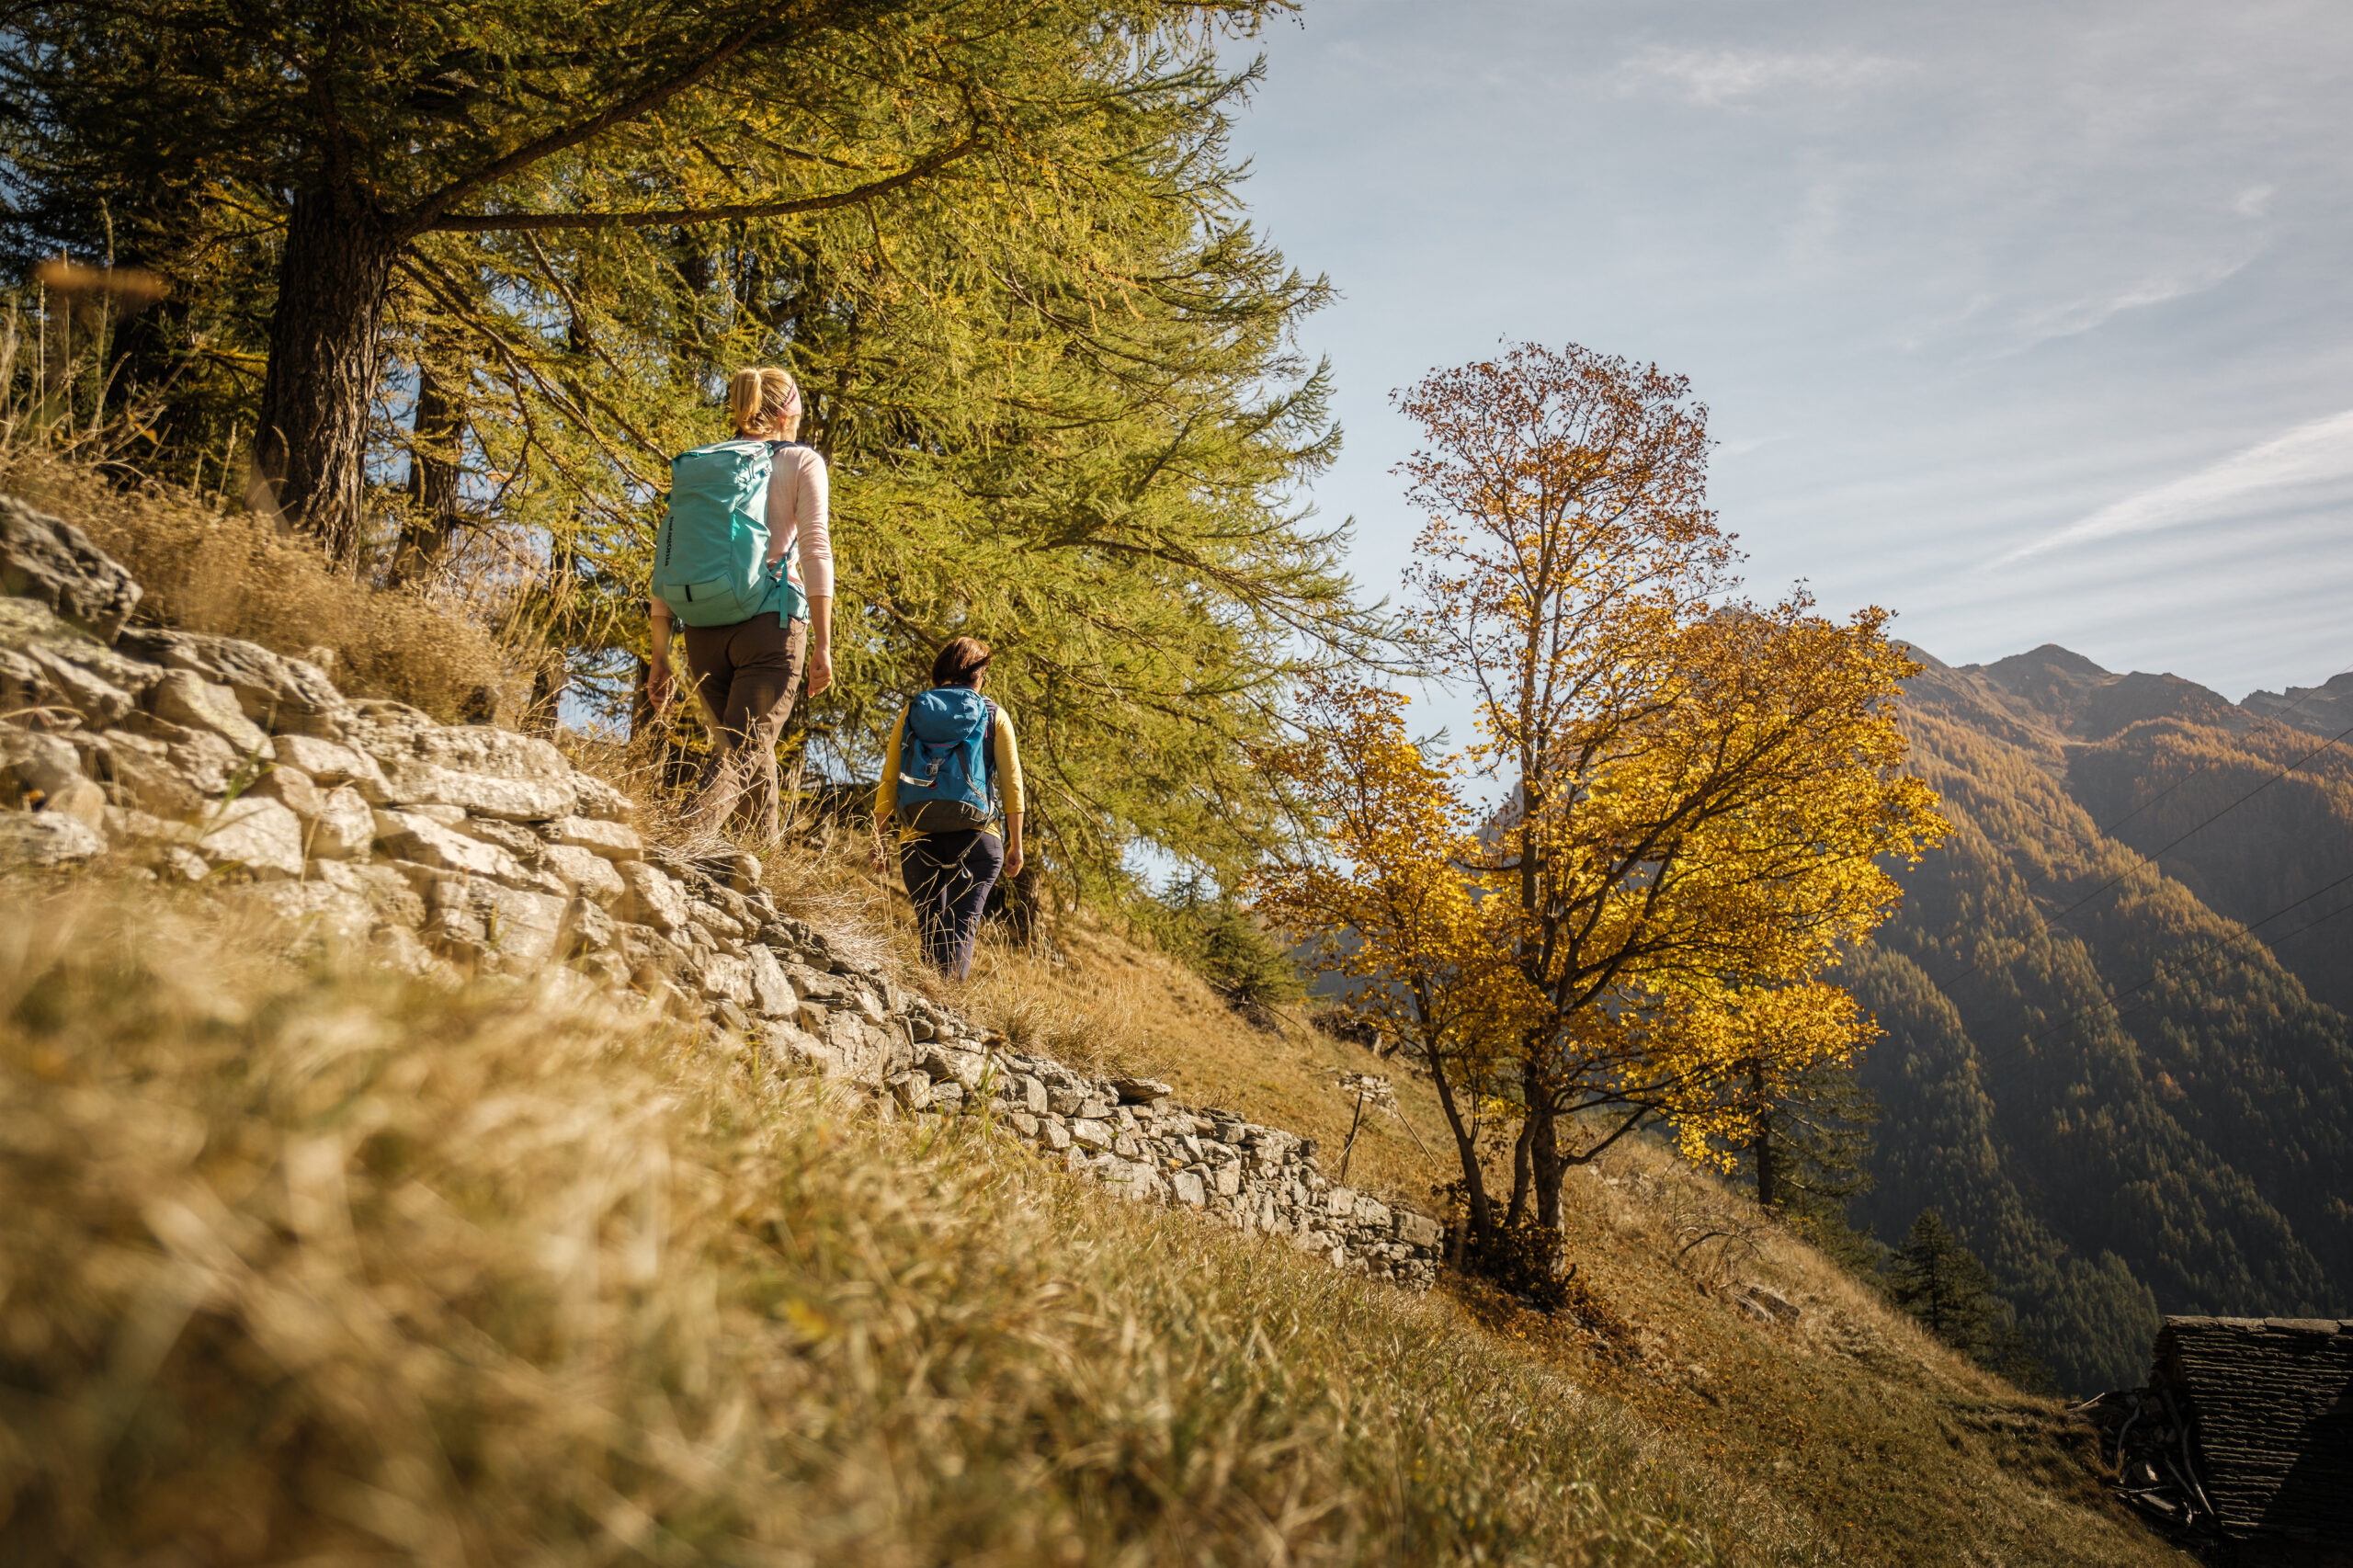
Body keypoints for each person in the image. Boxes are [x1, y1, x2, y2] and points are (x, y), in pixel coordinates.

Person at [647, 367, 833, 844]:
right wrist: (824, 644)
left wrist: (660, 654)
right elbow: (815, 547)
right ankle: (673, 848)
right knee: (740, 752)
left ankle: (761, 873)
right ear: (789, 411)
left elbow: (667, 551)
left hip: (703, 630)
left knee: (753, 752)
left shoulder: (706, 465)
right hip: (769, 627)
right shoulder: (801, 462)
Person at [871, 637, 1025, 980]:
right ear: (979, 675)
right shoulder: (994, 715)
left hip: (917, 833)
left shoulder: (913, 711)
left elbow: (890, 776)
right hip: (978, 837)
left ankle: (929, 1012)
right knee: (960, 929)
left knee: (931, 929)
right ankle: (947, 1014)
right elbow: (1012, 782)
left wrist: (877, 835)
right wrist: (1017, 843)